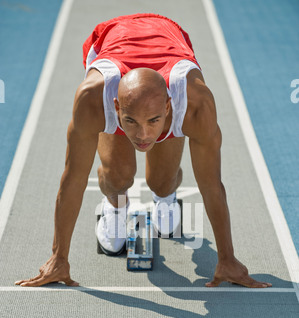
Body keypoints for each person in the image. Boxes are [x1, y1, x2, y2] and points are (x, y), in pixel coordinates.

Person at [15, 13, 271, 288]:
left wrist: (227, 258)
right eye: (131, 122)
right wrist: (59, 257)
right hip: (112, 41)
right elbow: (73, 178)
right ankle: (115, 206)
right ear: (115, 108)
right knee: (119, 176)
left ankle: (166, 198)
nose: (143, 135)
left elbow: (211, 184)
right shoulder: (92, 97)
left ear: (169, 107)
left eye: (153, 122)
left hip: (169, 37)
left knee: (160, 182)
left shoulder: (196, 104)